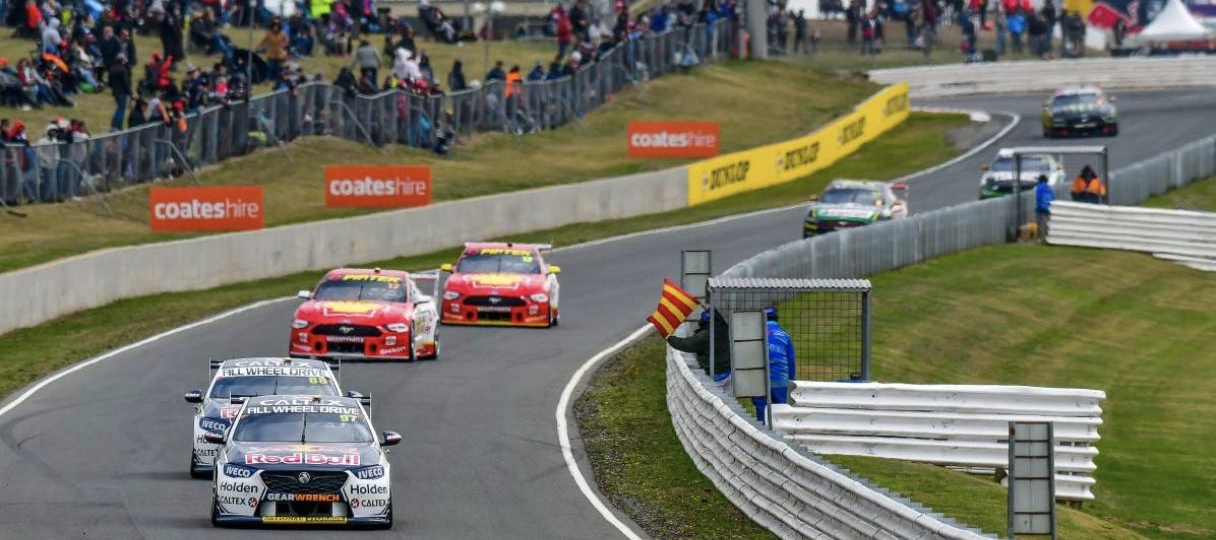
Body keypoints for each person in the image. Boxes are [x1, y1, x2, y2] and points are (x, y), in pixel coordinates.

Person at [666, 308, 732, 390]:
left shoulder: (705, 336)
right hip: (728, 372)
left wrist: (670, 338)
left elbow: (686, 345)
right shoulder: (724, 328)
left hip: (715, 375)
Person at [752, 306, 795, 425]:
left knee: (761, 410)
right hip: (780, 380)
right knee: (781, 411)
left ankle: (762, 431)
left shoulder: (754, 336)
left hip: (758, 380)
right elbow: (791, 362)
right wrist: (790, 381)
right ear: (777, 318)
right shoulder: (784, 336)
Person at [1034, 174, 1054, 240]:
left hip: (1040, 209)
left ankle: (1040, 238)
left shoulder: (1039, 187)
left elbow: (1038, 198)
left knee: (1039, 224)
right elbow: (1053, 198)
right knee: (1046, 224)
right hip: (1048, 208)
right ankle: (1046, 237)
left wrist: (1038, 207)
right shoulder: (1049, 188)